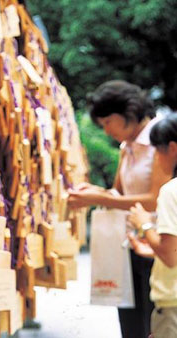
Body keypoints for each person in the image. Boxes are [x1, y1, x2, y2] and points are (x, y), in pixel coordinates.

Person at [68, 80, 171, 338]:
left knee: (153, 324)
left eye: (107, 122)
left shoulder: (160, 140)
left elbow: (153, 200)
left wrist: (97, 199)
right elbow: (120, 194)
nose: (106, 131)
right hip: (131, 244)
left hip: (157, 244)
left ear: (126, 111)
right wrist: (92, 192)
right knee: (131, 326)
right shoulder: (127, 147)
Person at [127, 113, 177, 338]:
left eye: (157, 150)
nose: (156, 158)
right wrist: (152, 249)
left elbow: (170, 255)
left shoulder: (171, 191)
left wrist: (145, 224)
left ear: (173, 148)